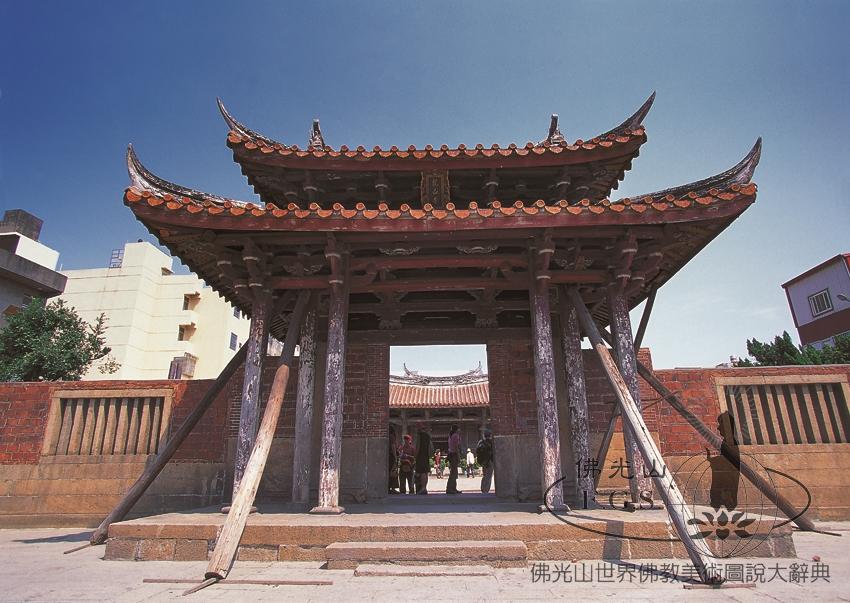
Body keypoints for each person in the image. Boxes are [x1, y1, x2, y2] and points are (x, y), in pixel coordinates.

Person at [415, 425, 433, 495]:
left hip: (420, 456)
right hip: (426, 456)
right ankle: (424, 487)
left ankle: (422, 488)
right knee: (425, 472)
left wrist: (415, 456)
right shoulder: (428, 436)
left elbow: (417, 447)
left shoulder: (420, 436)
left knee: (422, 472)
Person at [446, 424, 461, 494]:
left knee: (454, 472)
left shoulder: (450, 436)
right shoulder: (456, 436)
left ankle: (453, 488)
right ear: (456, 429)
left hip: (450, 455)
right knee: (453, 473)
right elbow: (456, 447)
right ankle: (450, 489)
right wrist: (458, 456)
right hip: (454, 455)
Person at [388, 426, 399, 494]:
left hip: (388, 455)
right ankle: (392, 488)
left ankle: (389, 488)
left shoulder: (388, 436)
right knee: (393, 472)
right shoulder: (392, 437)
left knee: (390, 472)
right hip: (392, 456)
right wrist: (395, 457)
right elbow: (393, 447)